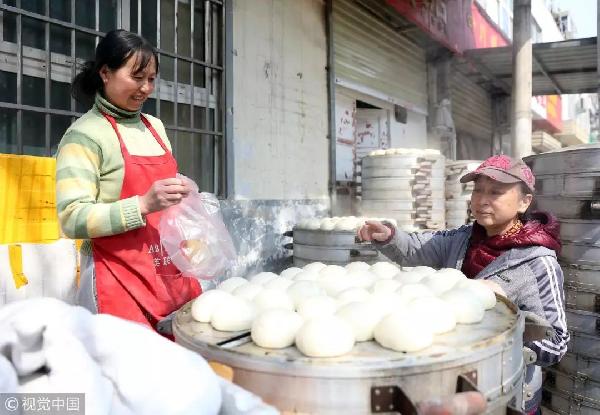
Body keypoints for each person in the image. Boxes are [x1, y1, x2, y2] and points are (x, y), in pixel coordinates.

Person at [358, 155, 569, 415]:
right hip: (451, 385)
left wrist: (506, 319)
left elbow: (557, 343)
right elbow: (416, 248)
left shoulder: (538, 263)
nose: (481, 200)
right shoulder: (462, 238)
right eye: (477, 190)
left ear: (524, 202)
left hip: (506, 394)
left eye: (495, 192)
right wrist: (389, 236)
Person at [55, 30, 201, 335]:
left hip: (169, 272)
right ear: (105, 73)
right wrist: (144, 204)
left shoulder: (155, 127)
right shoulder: (85, 135)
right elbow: (71, 217)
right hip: (118, 280)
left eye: (151, 79)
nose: (146, 88)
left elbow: (165, 200)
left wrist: (182, 194)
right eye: (137, 77)